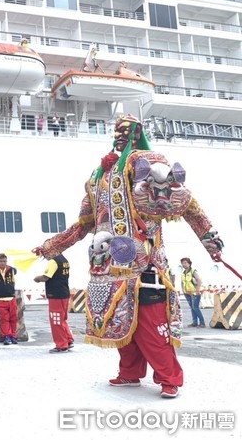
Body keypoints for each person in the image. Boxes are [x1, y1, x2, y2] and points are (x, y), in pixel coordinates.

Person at [32, 114, 224, 399]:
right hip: (107, 265)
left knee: (151, 328)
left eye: (126, 131)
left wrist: (210, 240)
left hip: (144, 268)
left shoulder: (146, 162)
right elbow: (84, 224)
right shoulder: (97, 177)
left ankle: (169, 378)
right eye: (116, 131)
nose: (120, 135)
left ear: (137, 133)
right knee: (121, 326)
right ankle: (130, 373)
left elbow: (184, 202)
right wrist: (51, 246)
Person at [34, 254, 73, 353]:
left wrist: (37, 279)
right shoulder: (64, 260)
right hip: (64, 293)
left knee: (56, 320)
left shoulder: (53, 261)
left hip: (56, 295)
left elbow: (46, 277)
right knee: (62, 319)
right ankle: (68, 340)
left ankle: (61, 345)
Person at [180, 257, 205, 328]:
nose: (184, 264)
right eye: (182, 263)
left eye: (185, 263)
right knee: (192, 308)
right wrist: (183, 290)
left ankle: (202, 323)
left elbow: (199, 280)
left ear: (189, 263)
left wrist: (197, 290)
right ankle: (195, 322)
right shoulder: (183, 273)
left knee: (195, 307)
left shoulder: (193, 271)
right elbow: (182, 282)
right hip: (187, 293)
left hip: (194, 293)